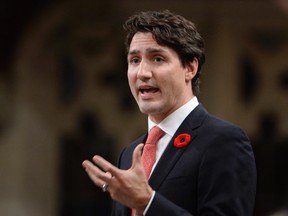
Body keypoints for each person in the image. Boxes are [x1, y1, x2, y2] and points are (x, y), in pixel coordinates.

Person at [82, 10, 256, 216]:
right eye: (135, 60)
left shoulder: (224, 141)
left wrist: (147, 202)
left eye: (157, 59)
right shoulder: (129, 154)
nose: (142, 73)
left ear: (190, 68)